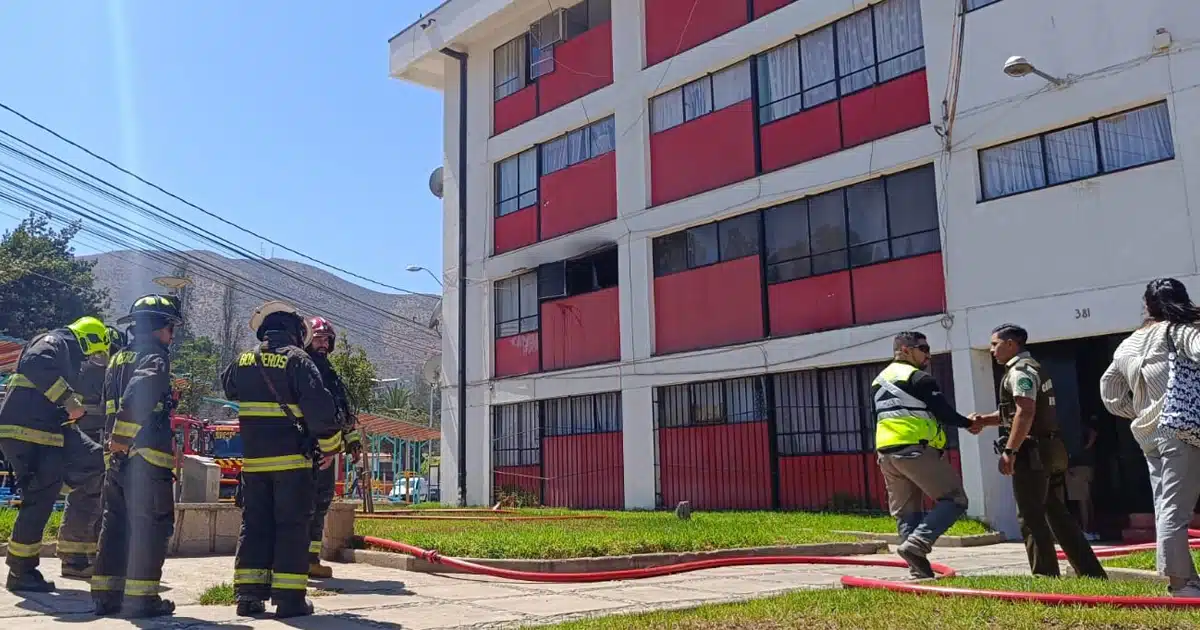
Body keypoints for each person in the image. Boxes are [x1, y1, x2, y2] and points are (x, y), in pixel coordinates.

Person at [222, 301, 342, 618]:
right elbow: (320, 408)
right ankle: (289, 600)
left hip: (254, 464)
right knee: (291, 527)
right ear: (293, 331)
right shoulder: (298, 360)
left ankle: (248, 597)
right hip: (292, 464)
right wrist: (329, 447)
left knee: (254, 526)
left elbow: (229, 389)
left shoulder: (243, 360)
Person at [972, 323, 1107, 579]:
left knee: (1031, 517)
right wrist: (983, 420)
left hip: (1032, 454)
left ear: (1011, 344)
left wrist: (1010, 451)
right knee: (1058, 515)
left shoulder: (1019, 372)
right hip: (1051, 451)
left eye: (995, 344)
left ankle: (1045, 576)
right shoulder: (1035, 367)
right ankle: (1091, 573)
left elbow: (1026, 411)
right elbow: (1016, 413)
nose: (991, 350)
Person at [1101, 278, 1200, 597]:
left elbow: (1109, 390)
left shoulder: (1127, 344)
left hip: (1148, 435)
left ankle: (1186, 579)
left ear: (1147, 305)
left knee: (1166, 505)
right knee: (1176, 508)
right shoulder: (1180, 330)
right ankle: (1180, 584)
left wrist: (1140, 410)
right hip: (1181, 430)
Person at [0, 316, 110, 592]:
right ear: (89, 338)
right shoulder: (54, 341)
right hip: (28, 430)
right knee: (39, 500)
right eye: (94, 351)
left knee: (97, 460)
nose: (92, 358)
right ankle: (21, 571)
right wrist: (69, 401)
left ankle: (21, 568)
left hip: (48, 430)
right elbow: (36, 364)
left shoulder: (67, 353)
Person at [91, 296, 183, 617]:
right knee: (151, 524)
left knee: (114, 522)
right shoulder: (155, 356)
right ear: (161, 327)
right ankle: (143, 598)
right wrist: (124, 435)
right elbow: (137, 395)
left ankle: (106, 595)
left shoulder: (118, 358)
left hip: (115, 457)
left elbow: (110, 401)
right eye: (172, 329)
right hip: (145, 456)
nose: (172, 336)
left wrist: (115, 443)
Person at [872, 331, 977, 579]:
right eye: (923, 348)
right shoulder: (918, 378)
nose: (928, 354)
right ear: (905, 350)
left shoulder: (878, 380)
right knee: (955, 500)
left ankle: (918, 570)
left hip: (886, 454)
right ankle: (917, 544)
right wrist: (968, 423)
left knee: (908, 513)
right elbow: (944, 413)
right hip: (915, 450)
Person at [57, 325, 126, 579]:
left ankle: (79, 557)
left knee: (86, 499)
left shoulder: (79, 368)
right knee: (88, 499)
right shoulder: (101, 371)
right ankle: (75, 561)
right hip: (92, 442)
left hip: (82, 442)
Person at [303, 316, 361, 579]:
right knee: (304, 508)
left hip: (327, 453)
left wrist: (352, 441)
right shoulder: (303, 368)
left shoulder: (327, 371)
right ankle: (297, 560)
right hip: (309, 453)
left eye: (327, 339)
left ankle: (310, 559)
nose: (324, 343)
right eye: (318, 338)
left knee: (319, 506)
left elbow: (342, 411)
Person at [1066, 416, 1099, 542]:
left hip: (1078, 466)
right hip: (1087, 465)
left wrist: (1083, 450)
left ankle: (1086, 530)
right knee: (1087, 498)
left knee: (1082, 500)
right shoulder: (1084, 427)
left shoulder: (1075, 430)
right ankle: (1091, 529)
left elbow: (1093, 434)